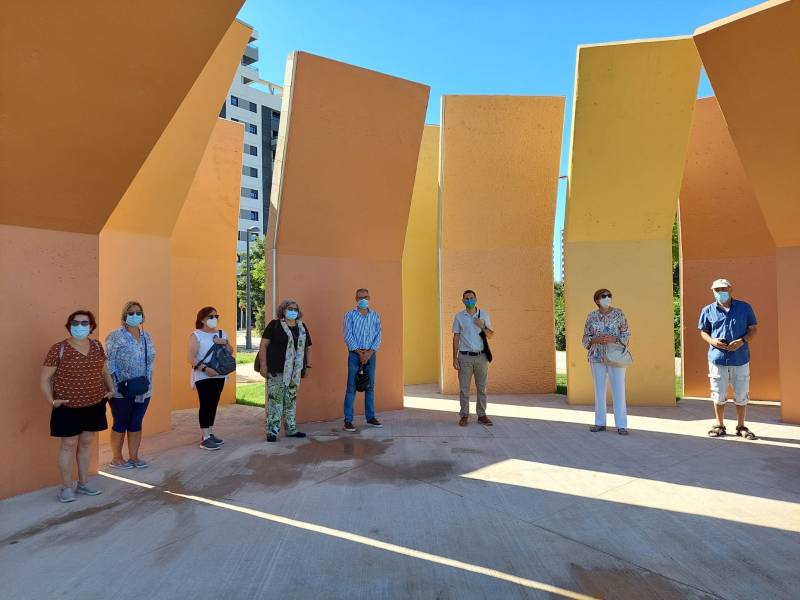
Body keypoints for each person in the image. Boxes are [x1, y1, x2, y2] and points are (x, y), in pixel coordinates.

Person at [40, 310, 115, 502]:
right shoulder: (59, 349)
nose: (80, 326)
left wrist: (111, 389)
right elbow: (45, 379)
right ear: (69, 325)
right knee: (68, 445)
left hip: (94, 404)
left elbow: (104, 371)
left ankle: (83, 484)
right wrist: (52, 401)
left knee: (86, 444)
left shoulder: (97, 346)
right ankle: (66, 488)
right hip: (67, 406)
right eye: (75, 322)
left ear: (91, 327)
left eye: (84, 323)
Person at [699, 279, 758, 440]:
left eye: (723, 289)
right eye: (716, 290)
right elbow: (703, 331)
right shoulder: (707, 310)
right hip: (717, 359)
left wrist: (742, 341)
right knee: (718, 394)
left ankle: (741, 426)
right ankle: (719, 425)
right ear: (712, 291)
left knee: (741, 393)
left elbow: (753, 329)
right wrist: (712, 341)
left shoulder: (744, 308)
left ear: (731, 289)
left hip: (740, 358)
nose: (720, 292)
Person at [105, 301, 155, 469]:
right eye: (131, 313)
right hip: (121, 389)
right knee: (121, 421)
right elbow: (107, 362)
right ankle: (117, 458)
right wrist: (112, 385)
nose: (135, 316)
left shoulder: (146, 336)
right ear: (124, 316)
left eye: (138, 312)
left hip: (143, 389)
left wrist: (148, 382)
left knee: (136, 422)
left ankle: (134, 457)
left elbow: (150, 361)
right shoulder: (115, 336)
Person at [258, 299, 312, 442]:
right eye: (290, 308)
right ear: (283, 310)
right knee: (275, 401)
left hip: (294, 372)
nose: (293, 311)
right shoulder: (274, 325)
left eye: (295, 309)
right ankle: (272, 431)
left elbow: (307, 348)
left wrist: (307, 366)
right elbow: (263, 345)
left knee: (291, 400)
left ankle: (291, 429)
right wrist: (263, 366)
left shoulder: (302, 327)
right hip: (276, 370)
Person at [582, 289, 631, 435]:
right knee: (599, 390)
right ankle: (600, 423)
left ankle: (621, 425)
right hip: (596, 357)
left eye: (609, 296)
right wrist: (594, 340)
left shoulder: (619, 314)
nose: (607, 298)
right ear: (597, 300)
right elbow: (585, 337)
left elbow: (626, 333)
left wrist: (614, 339)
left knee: (619, 390)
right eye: (604, 296)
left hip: (616, 355)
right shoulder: (591, 316)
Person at [188, 306, 233, 450]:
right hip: (203, 375)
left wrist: (224, 342)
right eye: (210, 316)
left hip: (219, 373)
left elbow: (230, 351)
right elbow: (190, 357)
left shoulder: (222, 333)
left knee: (214, 403)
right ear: (202, 319)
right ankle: (205, 436)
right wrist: (205, 369)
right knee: (205, 403)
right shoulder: (196, 335)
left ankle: (210, 433)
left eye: (216, 316)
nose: (214, 319)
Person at [342, 288, 383, 432]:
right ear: (355, 299)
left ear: (369, 297)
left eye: (365, 297)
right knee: (351, 387)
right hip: (355, 354)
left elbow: (378, 335)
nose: (363, 300)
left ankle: (370, 417)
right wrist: (360, 353)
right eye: (360, 297)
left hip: (371, 355)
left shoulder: (375, 316)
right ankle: (348, 420)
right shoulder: (350, 315)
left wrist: (369, 352)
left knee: (370, 386)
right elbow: (348, 335)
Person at [452, 290, 495, 427]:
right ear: (463, 301)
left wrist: (482, 325)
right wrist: (454, 357)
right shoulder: (459, 317)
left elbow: (491, 335)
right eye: (467, 298)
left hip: (481, 357)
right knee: (464, 388)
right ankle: (464, 415)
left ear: (476, 299)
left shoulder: (484, 315)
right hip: (465, 357)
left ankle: (481, 415)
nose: (469, 300)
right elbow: (456, 337)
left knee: (481, 387)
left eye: (472, 298)